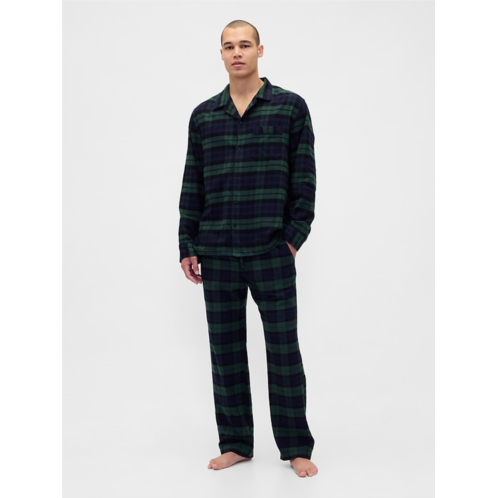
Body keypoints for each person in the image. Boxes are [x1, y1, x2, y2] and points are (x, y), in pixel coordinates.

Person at [178, 20, 318, 478]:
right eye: (228, 46)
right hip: (216, 251)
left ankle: (295, 447)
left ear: (260, 50)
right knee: (225, 352)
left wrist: (292, 239)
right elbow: (192, 183)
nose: (236, 52)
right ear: (220, 54)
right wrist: (187, 242)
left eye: (244, 45)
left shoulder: (289, 108)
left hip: (271, 250)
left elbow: (304, 179)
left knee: (283, 350)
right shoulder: (204, 116)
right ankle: (236, 443)